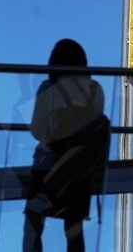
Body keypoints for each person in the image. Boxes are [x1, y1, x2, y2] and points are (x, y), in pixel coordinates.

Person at [23, 39, 108, 252]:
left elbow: (36, 130)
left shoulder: (49, 88)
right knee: (73, 227)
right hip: (80, 172)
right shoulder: (95, 89)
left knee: (34, 221)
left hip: (48, 166)